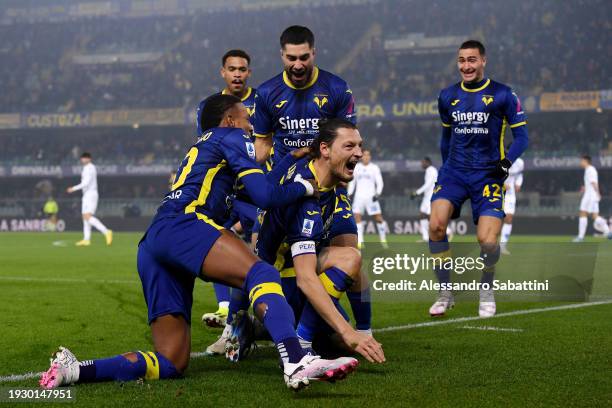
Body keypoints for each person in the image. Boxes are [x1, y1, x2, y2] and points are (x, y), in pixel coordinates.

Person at [40, 94, 359, 391]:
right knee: (262, 274)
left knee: (170, 362)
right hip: (184, 224)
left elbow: (259, 195)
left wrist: (288, 158)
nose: (251, 125)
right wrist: (305, 187)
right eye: (246, 117)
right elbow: (265, 195)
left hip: (153, 243)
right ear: (230, 120)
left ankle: (75, 370)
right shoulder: (232, 137)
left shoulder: (208, 150)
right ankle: (296, 359)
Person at [225, 119, 385, 365]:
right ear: (324, 149)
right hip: (278, 284)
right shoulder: (306, 200)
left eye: (360, 146)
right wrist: (349, 333)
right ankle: (301, 344)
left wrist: (289, 156)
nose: (359, 153)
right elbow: (306, 279)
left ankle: (257, 328)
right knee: (350, 258)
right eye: (349, 146)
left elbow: (269, 186)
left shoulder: (308, 171)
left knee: (336, 343)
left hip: (270, 277)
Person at [428, 40, 528, 318]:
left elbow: (522, 137)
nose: (466, 66)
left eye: (472, 60)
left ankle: (486, 288)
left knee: (487, 241)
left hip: (488, 175)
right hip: (454, 173)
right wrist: (444, 168)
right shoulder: (447, 96)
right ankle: (446, 292)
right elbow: (446, 137)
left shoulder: (504, 94)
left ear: (483, 61)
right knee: (436, 226)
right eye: (461, 60)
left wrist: (505, 163)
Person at [201, 49, 258, 329]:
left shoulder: (263, 102)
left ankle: (258, 310)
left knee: (262, 251)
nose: (237, 73)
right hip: (225, 190)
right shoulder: (212, 106)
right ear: (222, 72)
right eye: (232, 69)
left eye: (242, 69)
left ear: (249, 73)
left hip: (255, 190)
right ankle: (226, 309)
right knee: (213, 241)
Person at [66, 153, 112, 246]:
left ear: (89, 159)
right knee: (85, 217)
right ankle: (86, 239)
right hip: (86, 195)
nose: (83, 159)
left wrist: (73, 188)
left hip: (91, 194)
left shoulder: (90, 168)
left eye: (85, 158)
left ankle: (106, 231)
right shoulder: (86, 168)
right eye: (82, 158)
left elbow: (86, 183)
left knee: (87, 216)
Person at [348, 149, 387, 248]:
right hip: (359, 197)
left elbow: (380, 183)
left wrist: (377, 194)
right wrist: (349, 194)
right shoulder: (357, 167)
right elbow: (352, 182)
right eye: (364, 155)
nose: (366, 157)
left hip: (371, 197)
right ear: (361, 156)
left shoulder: (374, 168)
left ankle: (383, 240)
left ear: (370, 157)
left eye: (368, 155)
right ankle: (360, 242)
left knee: (378, 218)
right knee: (357, 218)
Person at [573, 155, 612, 242]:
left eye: (581, 161)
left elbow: (594, 183)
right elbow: (590, 183)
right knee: (594, 216)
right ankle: (608, 232)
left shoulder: (591, 170)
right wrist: (584, 188)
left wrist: (598, 193)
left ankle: (580, 237)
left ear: (585, 161)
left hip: (590, 196)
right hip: (590, 195)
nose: (580, 162)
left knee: (584, 213)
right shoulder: (588, 170)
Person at [500, 155, 525, 254]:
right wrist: (502, 184)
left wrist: (518, 184)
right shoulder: (500, 161)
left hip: (510, 195)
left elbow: (519, 175)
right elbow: (491, 176)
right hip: (497, 193)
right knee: (496, 219)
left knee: (509, 218)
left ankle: (502, 246)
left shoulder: (520, 163)